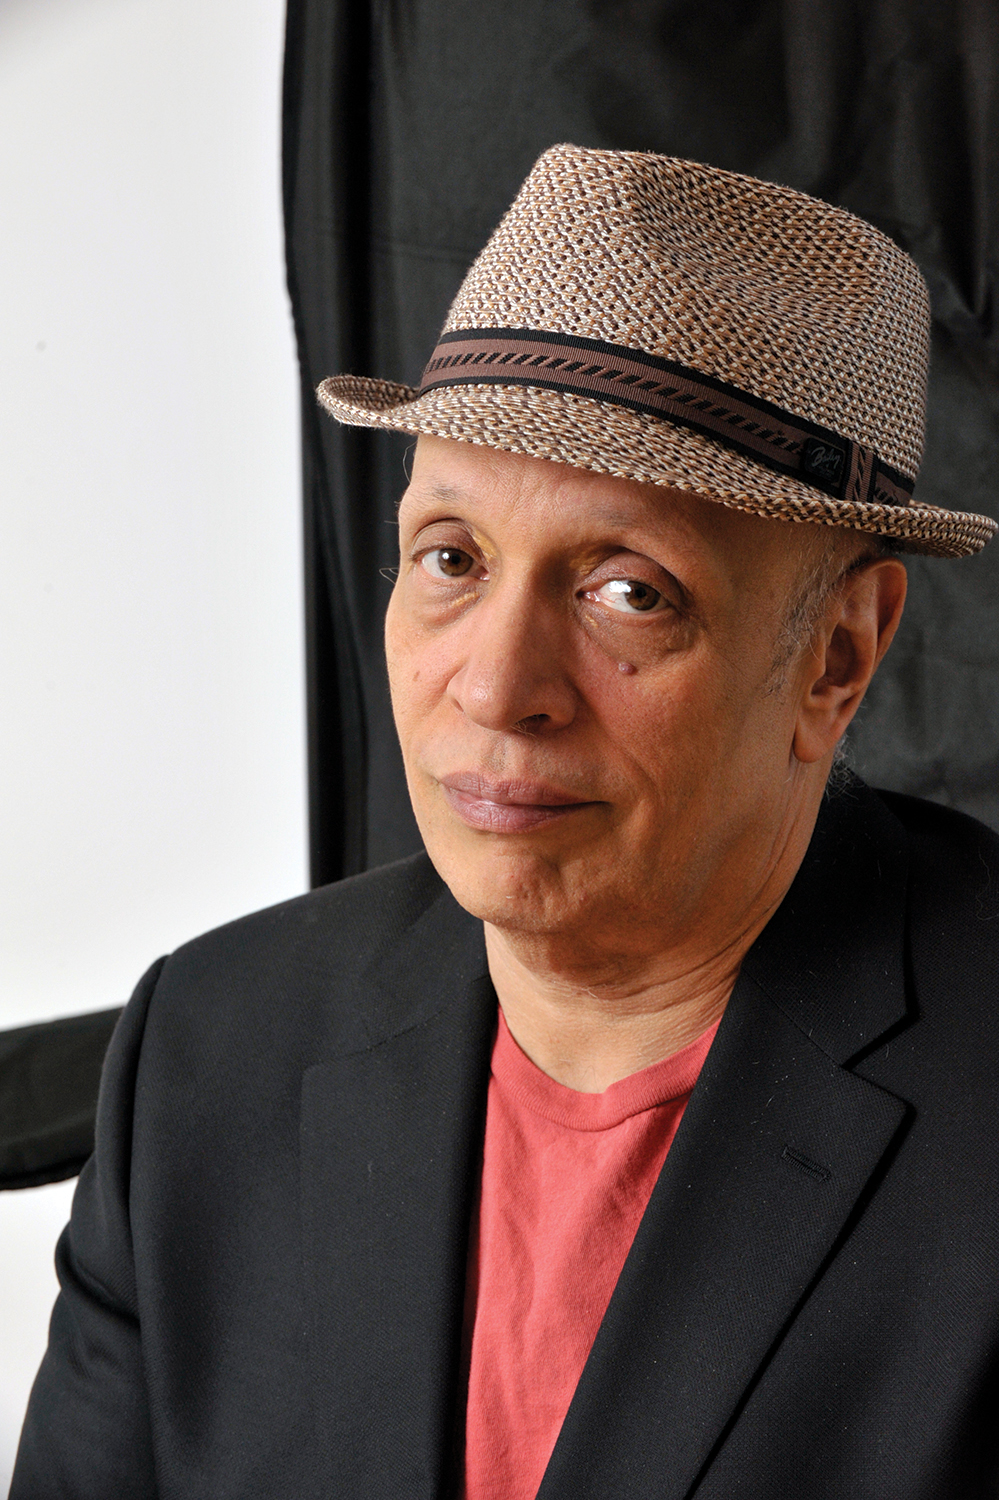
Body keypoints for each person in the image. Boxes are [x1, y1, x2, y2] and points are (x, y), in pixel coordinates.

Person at [12, 146, 999, 1500]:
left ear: (836, 657)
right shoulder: (208, 1052)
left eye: (629, 591)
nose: (493, 686)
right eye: (451, 559)